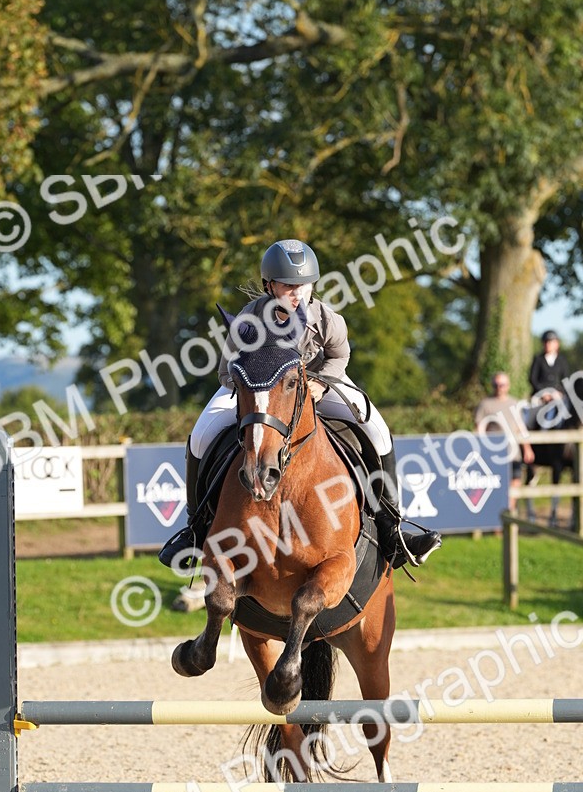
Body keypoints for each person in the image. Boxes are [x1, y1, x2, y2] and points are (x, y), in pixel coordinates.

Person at [159, 239, 442, 571]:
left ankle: (392, 529)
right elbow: (226, 370)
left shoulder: (326, 318)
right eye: (287, 285)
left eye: (303, 285)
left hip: (320, 384)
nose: (296, 292)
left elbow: (340, 356)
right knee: (201, 434)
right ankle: (194, 529)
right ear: (269, 285)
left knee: (376, 429)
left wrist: (319, 384)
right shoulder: (249, 321)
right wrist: (253, 389)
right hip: (259, 393)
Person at [474, 371, 534, 504]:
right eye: (496, 385)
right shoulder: (485, 404)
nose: (499, 388)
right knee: (496, 488)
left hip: (513, 453)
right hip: (494, 454)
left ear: (508, 386)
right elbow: (479, 429)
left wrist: (527, 448)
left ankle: (510, 514)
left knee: (515, 482)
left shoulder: (515, 403)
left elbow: (520, 428)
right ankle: (498, 520)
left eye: (502, 385)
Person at [529, 330, 570, 400]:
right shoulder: (538, 359)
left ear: (557, 344)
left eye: (550, 342)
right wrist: (543, 393)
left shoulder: (562, 360)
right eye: (546, 342)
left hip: (557, 395)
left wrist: (560, 392)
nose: (548, 344)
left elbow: (566, 378)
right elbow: (533, 379)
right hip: (541, 395)